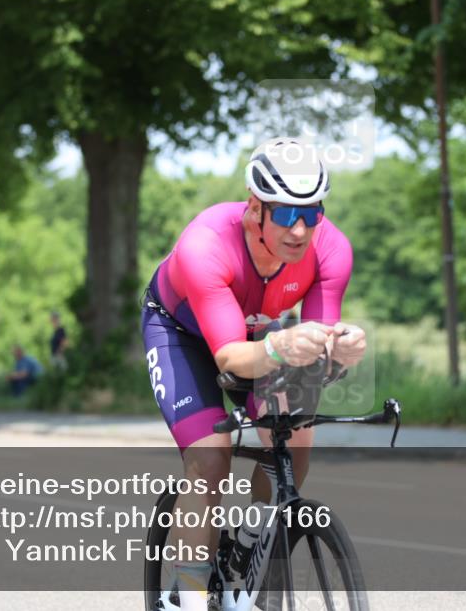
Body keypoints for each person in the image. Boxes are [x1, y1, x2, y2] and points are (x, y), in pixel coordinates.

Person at [141, 137, 367, 611]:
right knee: (210, 457)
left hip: (256, 333)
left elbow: (316, 342)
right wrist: (281, 344)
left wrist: (339, 349)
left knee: (297, 438)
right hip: (184, 334)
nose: (301, 229)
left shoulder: (333, 250)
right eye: (286, 214)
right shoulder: (206, 245)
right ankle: (188, 594)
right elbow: (228, 357)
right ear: (255, 207)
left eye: (313, 212)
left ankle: (249, 544)